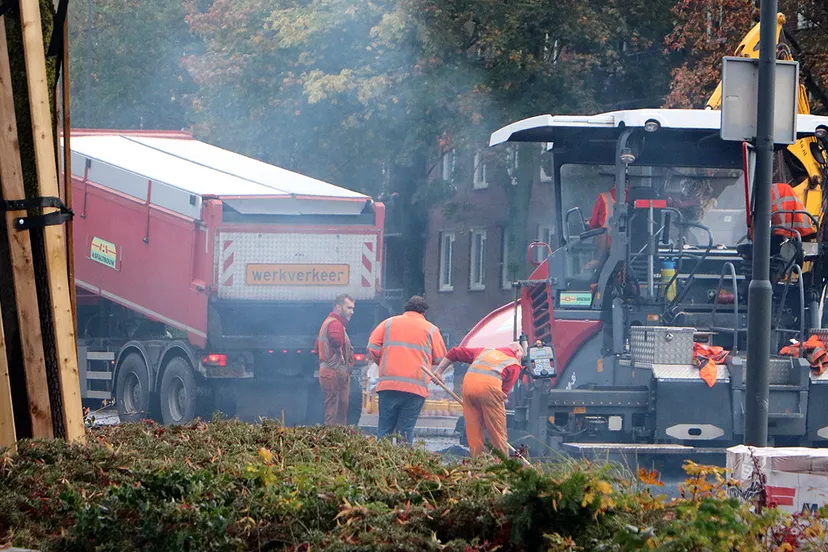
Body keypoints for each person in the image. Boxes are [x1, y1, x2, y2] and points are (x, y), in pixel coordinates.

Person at [367, 296, 446, 443]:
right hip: (415, 389)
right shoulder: (431, 329)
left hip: (388, 385)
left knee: (385, 429)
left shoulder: (388, 323)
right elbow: (440, 359)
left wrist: (384, 363)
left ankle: (380, 462)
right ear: (424, 313)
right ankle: (405, 463)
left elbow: (372, 347)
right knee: (405, 430)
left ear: (406, 309)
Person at [433, 342, 524, 457]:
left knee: (474, 430)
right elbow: (503, 394)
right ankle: (502, 465)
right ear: (517, 352)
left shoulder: (485, 351)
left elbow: (455, 352)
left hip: (468, 388)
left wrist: (438, 372)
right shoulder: (514, 363)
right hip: (489, 390)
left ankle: (477, 462)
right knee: (497, 433)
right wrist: (490, 417)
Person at [316, 294, 355, 425]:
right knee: (335, 410)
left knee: (334, 407)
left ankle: (334, 437)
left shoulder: (327, 323)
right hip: (334, 373)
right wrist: (338, 353)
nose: (352, 312)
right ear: (338, 308)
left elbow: (317, 347)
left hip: (330, 372)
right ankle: (333, 439)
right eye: (349, 308)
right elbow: (335, 339)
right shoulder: (335, 323)